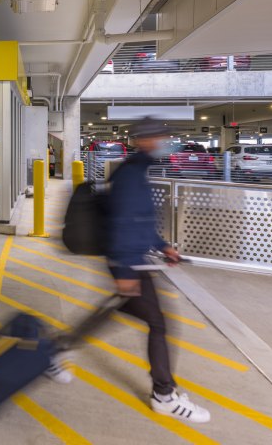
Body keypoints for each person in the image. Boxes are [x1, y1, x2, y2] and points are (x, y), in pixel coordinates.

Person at [107, 117, 210, 423]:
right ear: (144, 140)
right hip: (129, 263)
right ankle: (164, 396)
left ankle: (59, 350)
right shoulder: (130, 175)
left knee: (127, 315)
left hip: (132, 260)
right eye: (161, 136)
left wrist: (163, 245)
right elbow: (122, 222)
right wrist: (125, 270)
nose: (166, 140)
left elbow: (140, 220)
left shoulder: (138, 170)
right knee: (159, 323)